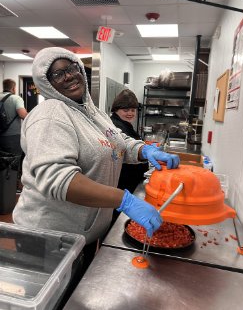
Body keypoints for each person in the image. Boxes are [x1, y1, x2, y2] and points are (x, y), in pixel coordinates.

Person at [12, 47, 179, 280]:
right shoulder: (50, 114)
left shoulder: (92, 111)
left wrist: (144, 150)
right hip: (49, 239)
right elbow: (61, 181)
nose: (69, 75)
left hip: (82, 235)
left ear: (81, 69)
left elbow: (118, 142)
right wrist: (125, 200)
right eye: (58, 74)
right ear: (46, 83)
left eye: (71, 68)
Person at [110, 89, 148, 193]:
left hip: (130, 182)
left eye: (133, 110)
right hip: (122, 184)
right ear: (116, 110)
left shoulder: (125, 124)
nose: (130, 113)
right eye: (126, 110)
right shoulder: (115, 126)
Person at [0, 79, 28, 155]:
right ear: (13, 88)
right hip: (12, 136)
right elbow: (23, 115)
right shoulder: (16, 98)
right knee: (14, 160)